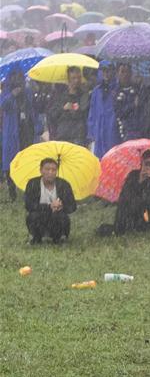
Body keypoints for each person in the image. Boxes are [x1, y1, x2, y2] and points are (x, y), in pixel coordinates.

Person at [2, 70, 39, 201]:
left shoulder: (27, 92)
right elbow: (3, 105)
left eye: (20, 78)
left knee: (27, 161)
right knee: (9, 162)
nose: (18, 81)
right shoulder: (7, 92)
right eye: (15, 78)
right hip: (11, 133)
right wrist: (12, 95)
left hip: (26, 132)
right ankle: (12, 192)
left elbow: (34, 108)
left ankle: (28, 191)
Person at [24, 157, 76, 244]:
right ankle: (36, 237)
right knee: (32, 216)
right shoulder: (33, 184)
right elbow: (28, 205)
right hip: (39, 215)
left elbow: (73, 206)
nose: (50, 172)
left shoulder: (64, 184)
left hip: (57, 216)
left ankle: (59, 238)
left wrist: (62, 206)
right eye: (47, 169)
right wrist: (49, 207)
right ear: (41, 170)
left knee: (62, 217)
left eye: (54, 170)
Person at [86, 62, 121, 158]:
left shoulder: (117, 89)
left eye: (108, 70)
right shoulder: (96, 91)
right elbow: (92, 113)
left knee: (113, 158)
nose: (106, 73)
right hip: (98, 131)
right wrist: (91, 133)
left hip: (112, 131)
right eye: (103, 70)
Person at [48, 66, 90, 145]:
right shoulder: (60, 96)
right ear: (68, 79)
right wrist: (63, 108)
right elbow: (52, 114)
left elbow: (85, 113)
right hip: (63, 137)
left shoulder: (84, 95)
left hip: (79, 137)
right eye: (73, 78)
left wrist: (75, 110)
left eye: (78, 78)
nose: (76, 81)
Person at [113, 64, 143, 141]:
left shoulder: (138, 89)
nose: (125, 74)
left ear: (131, 73)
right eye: (122, 71)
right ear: (117, 74)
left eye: (127, 71)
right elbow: (119, 113)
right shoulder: (115, 92)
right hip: (123, 132)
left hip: (139, 131)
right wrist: (132, 105)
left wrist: (141, 87)